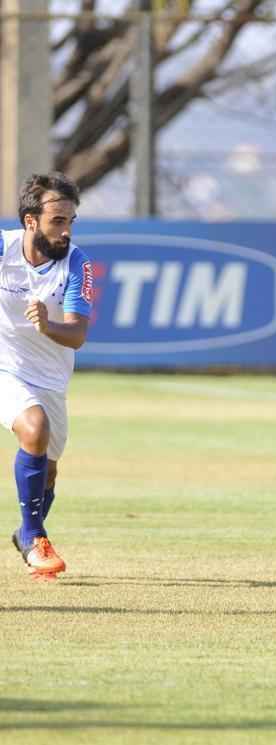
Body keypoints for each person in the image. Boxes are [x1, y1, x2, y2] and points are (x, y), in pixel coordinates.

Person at [1, 173, 93, 579]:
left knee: (48, 470)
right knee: (33, 428)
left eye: (71, 221)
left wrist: (47, 327)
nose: (66, 231)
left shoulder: (77, 263)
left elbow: (76, 335)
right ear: (30, 221)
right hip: (5, 367)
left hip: (52, 378)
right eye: (58, 221)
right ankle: (36, 537)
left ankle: (26, 532)